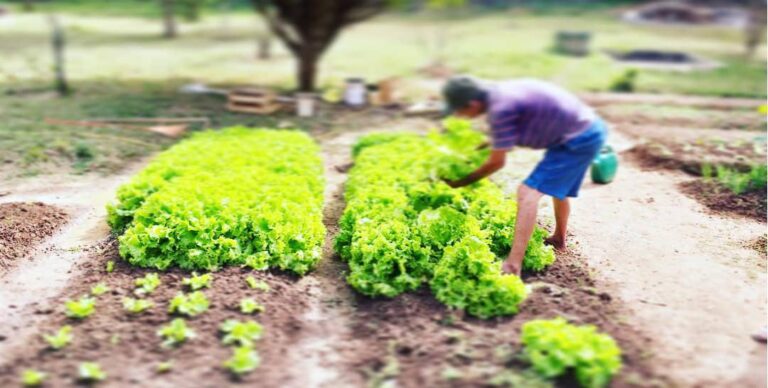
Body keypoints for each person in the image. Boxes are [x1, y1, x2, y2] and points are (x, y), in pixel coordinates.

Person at [441, 76, 607, 277]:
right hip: (583, 130)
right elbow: (510, 132)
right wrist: (483, 146)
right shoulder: (500, 94)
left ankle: (512, 266)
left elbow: (496, 163)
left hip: (579, 138)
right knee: (559, 189)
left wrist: (458, 183)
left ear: (473, 104)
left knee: (527, 193)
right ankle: (559, 239)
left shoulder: (499, 109)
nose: (462, 116)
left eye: (460, 111)